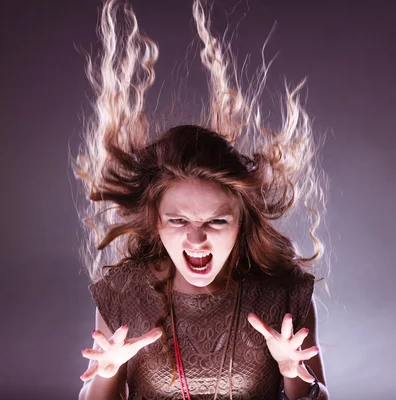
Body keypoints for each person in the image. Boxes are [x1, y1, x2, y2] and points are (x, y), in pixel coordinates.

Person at [72, 0, 329, 398]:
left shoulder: (282, 292)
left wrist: (293, 371)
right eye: (178, 221)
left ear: (240, 223)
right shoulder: (125, 292)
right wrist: (108, 371)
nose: (196, 239)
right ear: (156, 222)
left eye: (215, 221)